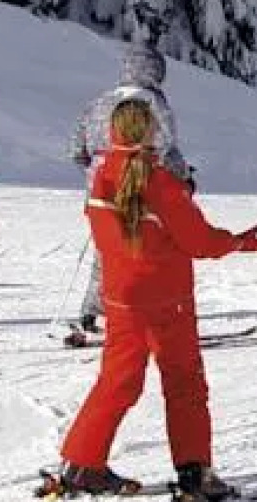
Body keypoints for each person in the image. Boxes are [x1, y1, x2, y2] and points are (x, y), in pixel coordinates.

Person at [51, 98, 257, 502]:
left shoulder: (101, 174)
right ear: (152, 132)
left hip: (121, 298)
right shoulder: (159, 182)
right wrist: (240, 241)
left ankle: (82, 462)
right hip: (166, 300)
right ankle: (195, 474)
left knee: (117, 381)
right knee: (184, 383)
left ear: (114, 132)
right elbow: (199, 241)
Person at [70, 42, 192, 335]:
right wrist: (183, 178)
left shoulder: (99, 102)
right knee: (146, 250)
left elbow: (77, 148)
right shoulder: (153, 104)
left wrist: (93, 172)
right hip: (141, 187)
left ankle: (95, 311)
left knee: (108, 252)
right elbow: (166, 149)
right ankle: (146, 310)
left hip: (100, 190)